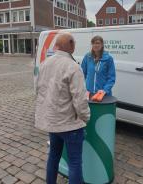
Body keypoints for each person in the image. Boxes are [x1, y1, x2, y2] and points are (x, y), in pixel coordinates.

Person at [35, 32, 90, 184]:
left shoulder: (45, 63)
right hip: (70, 124)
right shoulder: (73, 67)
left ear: (57, 45)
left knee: (53, 156)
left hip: (53, 122)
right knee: (75, 162)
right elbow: (80, 99)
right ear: (71, 46)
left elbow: (38, 89)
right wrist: (86, 117)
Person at [81, 36, 116, 101]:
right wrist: (84, 88)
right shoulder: (87, 57)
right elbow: (82, 74)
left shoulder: (108, 59)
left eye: (97, 43)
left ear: (102, 44)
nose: (95, 45)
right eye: (93, 43)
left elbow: (111, 78)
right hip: (89, 93)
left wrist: (105, 90)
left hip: (103, 95)